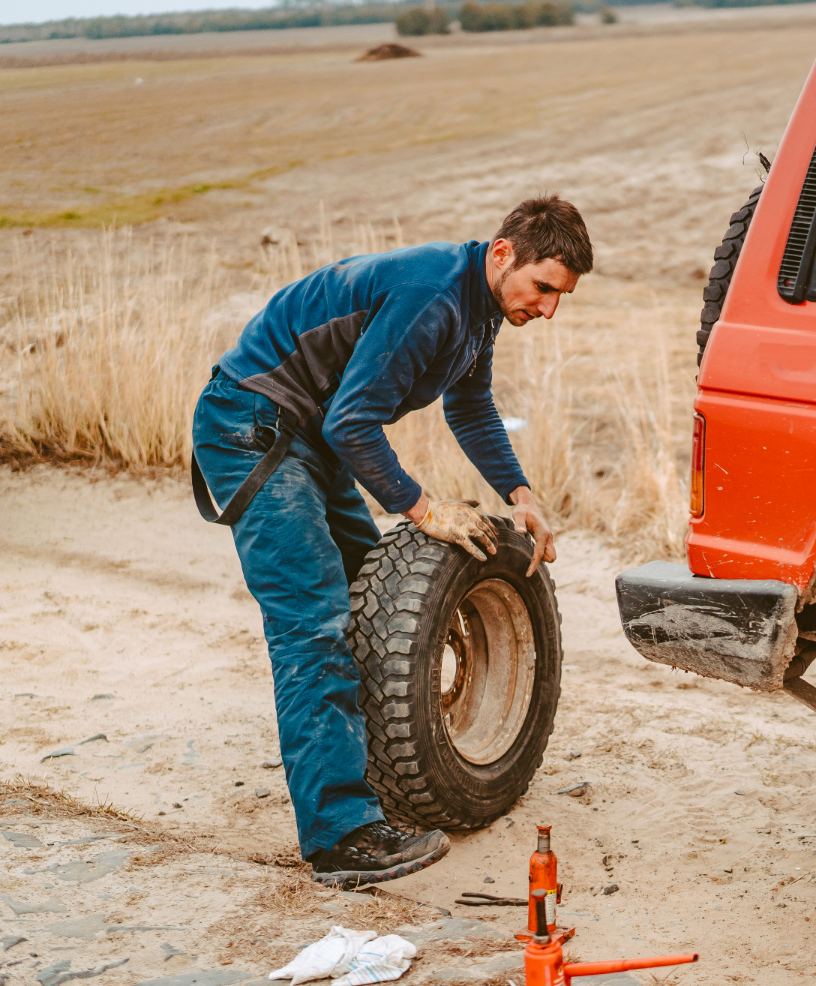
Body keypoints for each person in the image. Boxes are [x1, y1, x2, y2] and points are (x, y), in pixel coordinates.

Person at [191, 195, 592, 887]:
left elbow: (470, 406)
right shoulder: (432, 293)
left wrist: (521, 494)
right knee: (314, 624)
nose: (549, 309)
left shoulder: (478, 306)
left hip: (306, 435)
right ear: (503, 254)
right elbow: (354, 423)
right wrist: (422, 508)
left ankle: (363, 779)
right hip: (252, 424)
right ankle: (340, 837)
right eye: (545, 288)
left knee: (367, 600)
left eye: (562, 296)